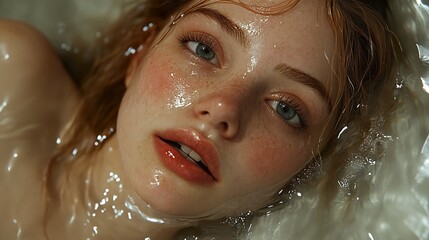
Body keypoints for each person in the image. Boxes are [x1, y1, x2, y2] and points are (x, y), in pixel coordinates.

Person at [0, 0, 398, 239]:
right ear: (139, 55)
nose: (224, 108)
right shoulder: (11, 76)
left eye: (285, 109)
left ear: (308, 170)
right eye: (203, 50)